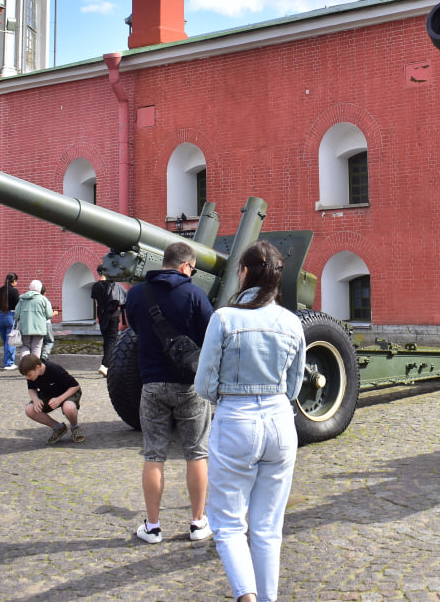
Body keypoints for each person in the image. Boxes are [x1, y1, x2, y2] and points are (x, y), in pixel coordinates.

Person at [195, 241, 306, 602]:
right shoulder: (292, 322)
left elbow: (204, 384)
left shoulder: (224, 318)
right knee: (268, 527)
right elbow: (294, 384)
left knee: (228, 523)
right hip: (279, 421)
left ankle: (246, 597)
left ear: (243, 273)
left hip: (236, 419)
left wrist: (228, 398)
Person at [125, 242, 215, 545]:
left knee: (153, 455)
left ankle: (153, 527)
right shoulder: (194, 294)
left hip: (151, 384)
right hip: (189, 385)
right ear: (186, 266)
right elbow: (210, 336)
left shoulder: (136, 294)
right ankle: (198, 523)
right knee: (196, 453)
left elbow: (135, 328)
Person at [18, 352, 84, 444]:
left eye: (28, 374)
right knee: (30, 409)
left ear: (37, 367)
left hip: (68, 392)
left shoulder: (54, 369)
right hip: (49, 394)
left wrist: (60, 399)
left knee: (68, 407)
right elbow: (31, 389)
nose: (27, 378)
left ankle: (75, 427)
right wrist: (36, 400)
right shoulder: (32, 376)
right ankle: (58, 427)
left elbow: (75, 386)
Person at [91, 270, 128, 377]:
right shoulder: (115, 285)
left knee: (107, 340)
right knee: (112, 340)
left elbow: (96, 303)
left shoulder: (95, 286)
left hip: (102, 316)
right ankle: (105, 365)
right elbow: (123, 299)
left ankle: (109, 366)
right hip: (113, 316)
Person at [15, 280, 55, 359]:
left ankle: (25, 364)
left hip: (25, 328)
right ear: (40, 288)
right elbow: (49, 314)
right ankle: (34, 367)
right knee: (36, 347)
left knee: (24, 346)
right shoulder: (43, 299)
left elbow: (16, 314)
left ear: (30, 287)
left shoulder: (22, 298)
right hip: (39, 328)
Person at [0, 273, 21, 369]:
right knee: (11, 341)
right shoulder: (14, 292)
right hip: (11, 316)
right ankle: (8, 363)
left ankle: (7, 361)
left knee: (6, 340)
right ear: (13, 281)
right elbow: (18, 306)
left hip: (0, 315)